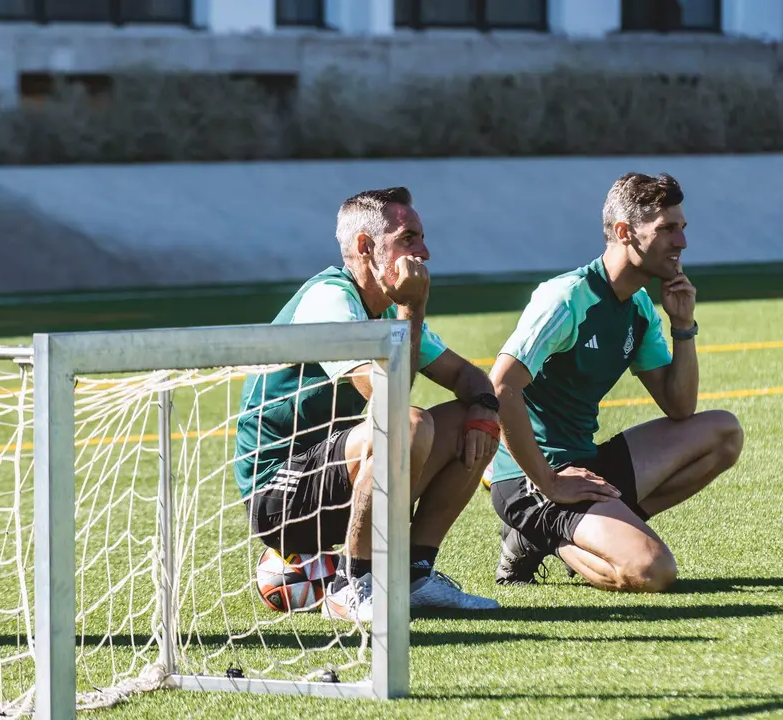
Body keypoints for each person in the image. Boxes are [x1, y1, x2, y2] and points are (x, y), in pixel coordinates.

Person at [234, 186, 502, 621]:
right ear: (365, 246)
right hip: (278, 496)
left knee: (464, 422)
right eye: (409, 238)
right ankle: (352, 585)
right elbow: (390, 400)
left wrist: (486, 410)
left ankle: (413, 575)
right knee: (409, 425)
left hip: (335, 473)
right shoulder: (330, 301)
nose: (425, 252)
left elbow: (468, 377)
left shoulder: (380, 309)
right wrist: (413, 308)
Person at [487, 172, 744, 591]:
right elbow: (500, 387)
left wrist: (683, 325)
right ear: (625, 233)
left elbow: (680, 408)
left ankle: (567, 531)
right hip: (530, 476)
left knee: (723, 433)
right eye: (666, 230)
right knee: (652, 571)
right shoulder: (566, 298)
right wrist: (550, 481)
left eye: (682, 229)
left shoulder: (639, 306)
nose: (682, 243)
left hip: (585, 464)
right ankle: (542, 532)